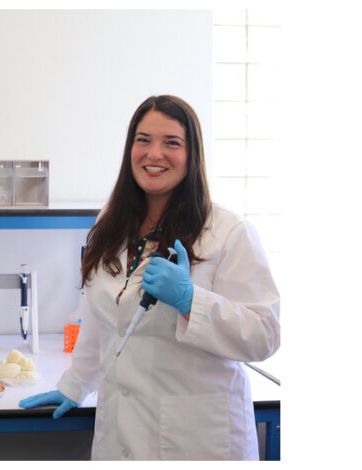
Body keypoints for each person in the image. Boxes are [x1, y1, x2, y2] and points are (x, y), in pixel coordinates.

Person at [19, 95, 280, 460]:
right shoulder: (110, 223)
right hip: (119, 433)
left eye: (171, 142)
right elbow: (101, 321)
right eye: (143, 140)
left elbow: (265, 335)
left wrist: (191, 301)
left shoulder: (228, 232)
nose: (154, 154)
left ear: (192, 155)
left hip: (196, 440)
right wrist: (75, 385)